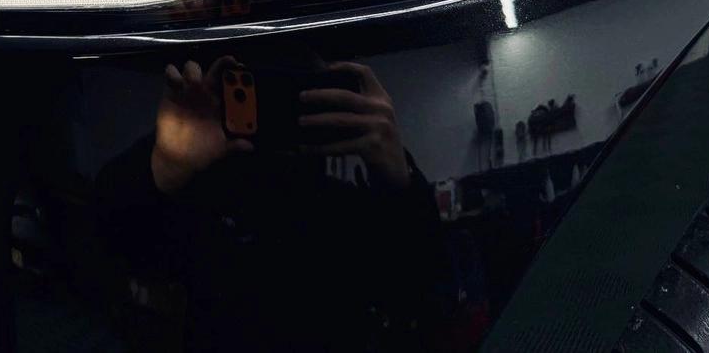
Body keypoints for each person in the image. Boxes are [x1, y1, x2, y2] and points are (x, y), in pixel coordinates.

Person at [97, 55, 448, 352]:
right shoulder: (196, 204)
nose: (281, 112)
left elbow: (421, 295)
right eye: (264, 96)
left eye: (301, 96)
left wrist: (398, 178)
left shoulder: (344, 210)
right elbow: (109, 256)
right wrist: (164, 168)